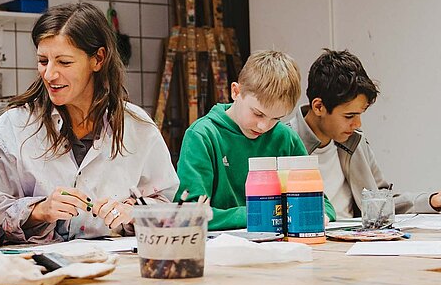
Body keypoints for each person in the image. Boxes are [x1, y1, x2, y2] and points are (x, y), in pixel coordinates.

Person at [0, 2, 178, 243]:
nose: (50, 74)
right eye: (43, 61)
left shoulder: (139, 128)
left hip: (117, 269)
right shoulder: (11, 129)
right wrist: (39, 210)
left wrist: (135, 212)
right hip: (37, 271)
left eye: (64, 62)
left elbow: (170, 206)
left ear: (98, 59)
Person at [176, 50, 336, 230]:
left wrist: (320, 215)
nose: (263, 126)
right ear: (236, 92)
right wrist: (264, 214)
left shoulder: (286, 138)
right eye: (258, 113)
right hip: (221, 250)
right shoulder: (202, 136)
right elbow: (188, 214)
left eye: (276, 118)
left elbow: (324, 205)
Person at [288, 49, 441, 217]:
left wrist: (431, 201)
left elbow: (381, 202)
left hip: (357, 240)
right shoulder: (284, 143)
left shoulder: (354, 141)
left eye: (359, 114)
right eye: (349, 116)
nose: (357, 124)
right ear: (319, 107)